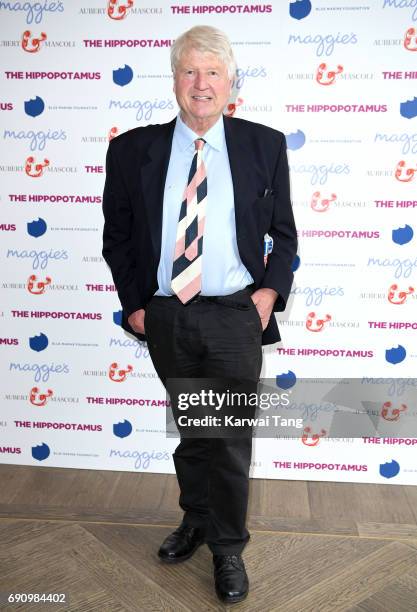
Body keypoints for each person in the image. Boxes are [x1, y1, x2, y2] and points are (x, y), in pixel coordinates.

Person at [102, 25, 297, 604]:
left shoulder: (265, 144)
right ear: (174, 81)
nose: (201, 83)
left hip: (237, 316)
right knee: (193, 431)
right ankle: (196, 518)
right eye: (190, 71)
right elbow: (119, 237)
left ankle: (228, 549)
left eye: (213, 72)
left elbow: (284, 237)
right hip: (167, 318)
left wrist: (268, 296)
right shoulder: (132, 148)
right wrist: (136, 306)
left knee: (229, 437)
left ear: (231, 82)